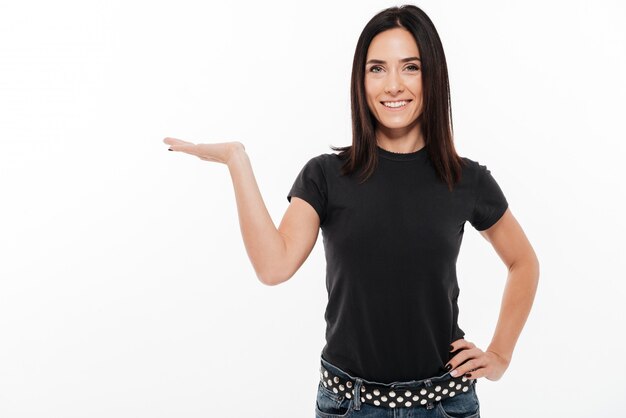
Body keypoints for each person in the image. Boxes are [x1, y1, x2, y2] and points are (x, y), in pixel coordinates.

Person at [163, 4, 540, 417]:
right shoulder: (326, 176)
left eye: (410, 67)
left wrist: (500, 355)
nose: (393, 85)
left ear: (432, 76)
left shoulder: (465, 179)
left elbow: (523, 262)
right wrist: (237, 161)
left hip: (443, 404)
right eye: (377, 69)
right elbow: (273, 267)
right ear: (360, 81)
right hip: (350, 405)